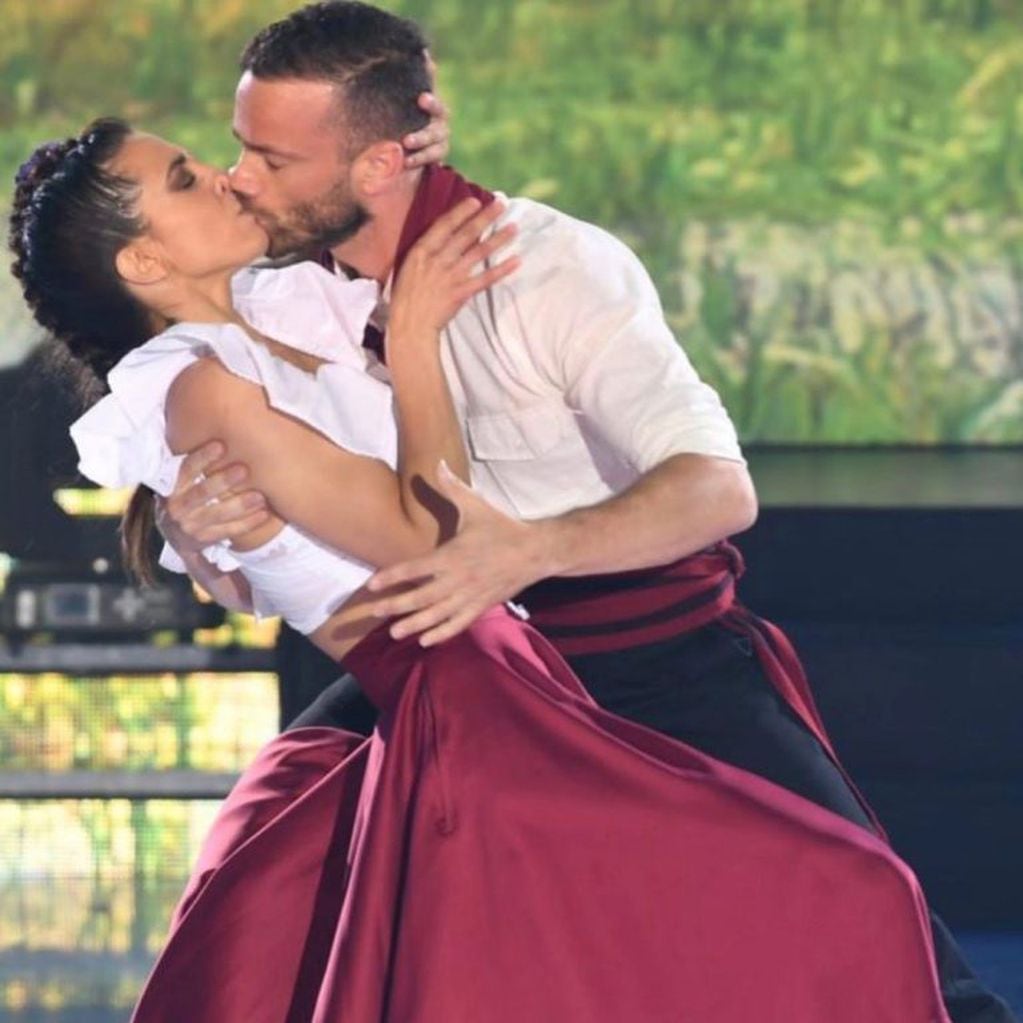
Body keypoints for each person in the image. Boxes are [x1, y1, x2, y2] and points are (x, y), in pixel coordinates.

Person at [158, 4, 1017, 1021]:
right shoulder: (276, 300)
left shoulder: (555, 268)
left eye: (272, 158)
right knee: (257, 864)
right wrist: (190, 528)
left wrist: (528, 553)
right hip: (449, 671)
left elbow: (717, 486)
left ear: (385, 162)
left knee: (872, 914)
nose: (240, 179)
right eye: (238, 148)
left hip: (647, 664)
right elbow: (220, 483)